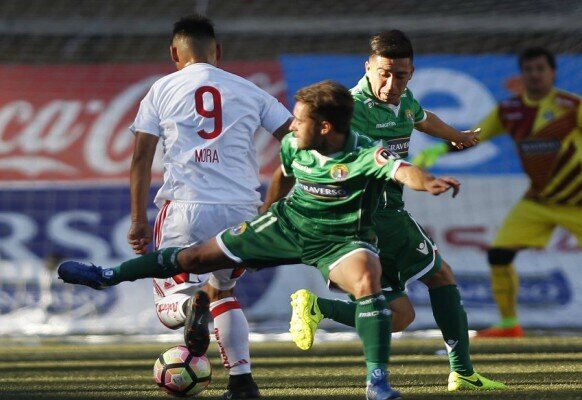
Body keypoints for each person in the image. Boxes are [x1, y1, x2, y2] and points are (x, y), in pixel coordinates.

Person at [59, 80, 465, 400]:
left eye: (299, 120)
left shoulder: (364, 155)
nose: (291, 126)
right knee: (196, 258)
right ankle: (108, 275)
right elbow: (283, 174)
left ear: (325, 127)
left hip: (339, 240)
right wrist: (269, 212)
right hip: (284, 226)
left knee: (367, 279)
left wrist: (428, 181)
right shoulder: (295, 144)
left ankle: (377, 384)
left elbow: (402, 170)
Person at [267, 30, 505, 391]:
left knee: (399, 316)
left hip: (379, 216)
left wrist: (456, 136)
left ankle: (318, 307)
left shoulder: (403, 99)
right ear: (368, 67)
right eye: (384, 74)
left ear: (411, 73)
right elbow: (311, 150)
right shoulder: (348, 108)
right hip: (372, 216)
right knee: (441, 276)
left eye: (401, 76)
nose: (392, 84)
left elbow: (422, 117)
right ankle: (462, 372)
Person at [414, 47, 582, 338]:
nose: (535, 75)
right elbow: (473, 137)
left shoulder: (573, 106)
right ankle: (510, 324)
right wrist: (439, 149)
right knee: (499, 254)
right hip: (539, 201)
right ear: (521, 75)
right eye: (529, 70)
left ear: (553, 73)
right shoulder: (509, 111)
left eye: (540, 69)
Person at [126, 14, 292, 398]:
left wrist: (137, 220)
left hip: (186, 208)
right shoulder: (250, 90)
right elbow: (297, 142)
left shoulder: (161, 89)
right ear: (218, 51)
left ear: (174, 53)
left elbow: (141, 159)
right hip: (242, 209)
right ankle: (242, 382)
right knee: (224, 291)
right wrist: (274, 204)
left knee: (171, 304)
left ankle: (190, 309)